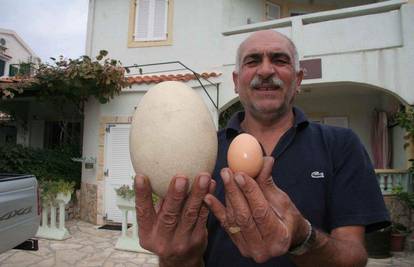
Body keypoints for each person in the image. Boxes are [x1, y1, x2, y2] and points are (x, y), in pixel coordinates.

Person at [134, 30, 390, 267]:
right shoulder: (201, 152)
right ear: (236, 81)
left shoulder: (341, 145)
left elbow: (354, 258)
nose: (266, 70)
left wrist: (302, 237)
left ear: (298, 79)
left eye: (279, 60)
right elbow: (186, 258)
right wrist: (178, 259)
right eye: (253, 61)